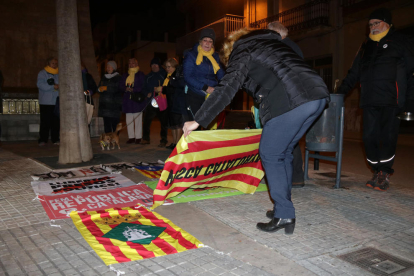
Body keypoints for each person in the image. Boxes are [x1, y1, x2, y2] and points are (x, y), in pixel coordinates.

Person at [183, 28, 330, 235]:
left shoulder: (243, 49)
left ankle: (284, 213)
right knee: (284, 151)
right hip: (317, 95)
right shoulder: (270, 44)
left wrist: (198, 120)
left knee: (270, 153)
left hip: (292, 98)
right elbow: (264, 82)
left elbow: (227, 87)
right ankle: (283, 207)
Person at [337, 8, 414, 191]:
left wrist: (410, 103)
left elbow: (411, 73)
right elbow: (353, 73)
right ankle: (377, 168)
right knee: (368, 137)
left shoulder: (401, 42)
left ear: (387, 23)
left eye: (376, 23)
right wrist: (340, 93)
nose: (372, 27)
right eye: (370, 24)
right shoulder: (365, 46)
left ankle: (384, 172)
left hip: (392, 100)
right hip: (369, 100)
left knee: (387, 137)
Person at [267, 21, 305, 188]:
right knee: (291, 138)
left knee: (284, 139)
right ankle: (296, 176)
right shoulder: (292, 46)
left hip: (286, 98)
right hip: (296, 97)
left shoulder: (282, 47)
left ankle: (289, 177)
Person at [183, 28, 225, 119]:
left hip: (211, 96)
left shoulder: (216, 57)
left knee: (209, 127)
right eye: (205, 40)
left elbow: (221, 74)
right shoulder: (191, 55)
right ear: (200, 42)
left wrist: (221, 87)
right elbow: (187, 76)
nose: (207, 43)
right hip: (195, 94)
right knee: (195, 126)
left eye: (210, 41)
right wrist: (205, 87)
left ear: (213, 44)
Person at [141, 57, 168, 147]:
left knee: (164, 122)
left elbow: (168, 87)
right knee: (146, 121)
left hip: (161, 101)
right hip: (150, 102)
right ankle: (145, 138)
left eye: (155, 64)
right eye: (152, 65)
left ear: (159, 65)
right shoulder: (148, 76)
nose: (154, 66)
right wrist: (146, 93)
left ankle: (163, 140)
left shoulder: (164, 75)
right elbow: (143, 88)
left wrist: (162, 90)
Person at [162, 58, 187, 149]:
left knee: (177, 123)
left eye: (169, 67)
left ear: (174, 66)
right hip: (170, 101)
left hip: (176, 101)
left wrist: (163, 89)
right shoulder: (167, 75)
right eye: (166, 67)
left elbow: (174, 88)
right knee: (172, 123)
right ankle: (174, 142)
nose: (167, 69)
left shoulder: (176, 74)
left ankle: (178, 143)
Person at [120, 58, 146, 144]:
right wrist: (125, 88)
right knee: (129, 119)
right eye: (130, 63)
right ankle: (131, 137)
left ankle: (138, 137)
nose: (131, 65)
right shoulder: (125, 75)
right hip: (128, 100)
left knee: (138, 119)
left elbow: (143, 86)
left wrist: (133, 89)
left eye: (133, 63)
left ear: (136, 64)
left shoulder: (140, 74)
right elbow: (120, 86)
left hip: (137, 100)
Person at [37, 57, 60, 146]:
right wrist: (52, 87)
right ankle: (43, 139)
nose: (54, 65)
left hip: (56, 101)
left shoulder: (58, 74)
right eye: (53, 63)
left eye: (56, 63)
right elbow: (40, 84)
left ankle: (55, 139)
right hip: (45, 101)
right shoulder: (42, 73)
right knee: (45, 122)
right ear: (48, 64)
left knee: (56, 121)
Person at [97, 61, 122, 134]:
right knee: (107, 125)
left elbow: (119, 89)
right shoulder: (104, 77)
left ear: (114, 68)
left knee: (115, 125)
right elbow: (98, 87)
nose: (108, 68)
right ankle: (108, 140)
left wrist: (107, 88)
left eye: (110, 66)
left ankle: (115, 140)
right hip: (105, 106)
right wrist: (99, 89)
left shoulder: (118, 77)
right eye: (107, 67)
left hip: (114, 106)